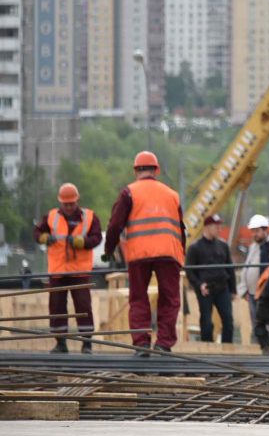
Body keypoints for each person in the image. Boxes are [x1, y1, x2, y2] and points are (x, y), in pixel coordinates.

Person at [104, 151, 186, 356]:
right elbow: (181, 229)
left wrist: (109, 250)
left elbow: (114, 225)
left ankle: (141, 345)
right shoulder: (172, 194)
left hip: (139, 254)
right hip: (169, 254)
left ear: (135, 171)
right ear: (156, 170)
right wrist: (181, 255)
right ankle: (164, 344)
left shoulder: (129, 192)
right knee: (170, 299)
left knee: (139, 298)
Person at [34, 183, 102, 354]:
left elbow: (97, 237)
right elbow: (36, 233)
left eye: (72, 203)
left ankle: (86, 344)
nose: (69, 207)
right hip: (58, 270)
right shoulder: (50, 216)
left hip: (79, 271)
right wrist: (43, 238)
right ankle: (60, 343)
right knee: (56, 307)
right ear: (60, 203)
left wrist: (83, 242)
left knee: (83, 306)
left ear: (77, 201)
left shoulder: (89, 216)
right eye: (66, 204)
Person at [184, 213, 236, 343]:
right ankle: (207, 347)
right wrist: (198, 285)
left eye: (220, 226)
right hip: (205, 289)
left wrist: (233, 289)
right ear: (207, 227)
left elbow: (230, 268)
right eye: (216, 226)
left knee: (228, 319)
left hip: (222, 288)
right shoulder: (195, 247)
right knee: (206, 321)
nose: (219, 229)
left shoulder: (223, 246)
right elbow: (189, 270)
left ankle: (227, 347)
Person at [237, 214, 269, 345]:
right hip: (253, 294)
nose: (254, 234)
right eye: (253, 231)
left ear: (265, 230)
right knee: (257, 324)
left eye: (257, 231)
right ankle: (263, 349)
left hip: (268, 294)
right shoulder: (253, 247)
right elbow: (246, 269)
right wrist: (244, 290)